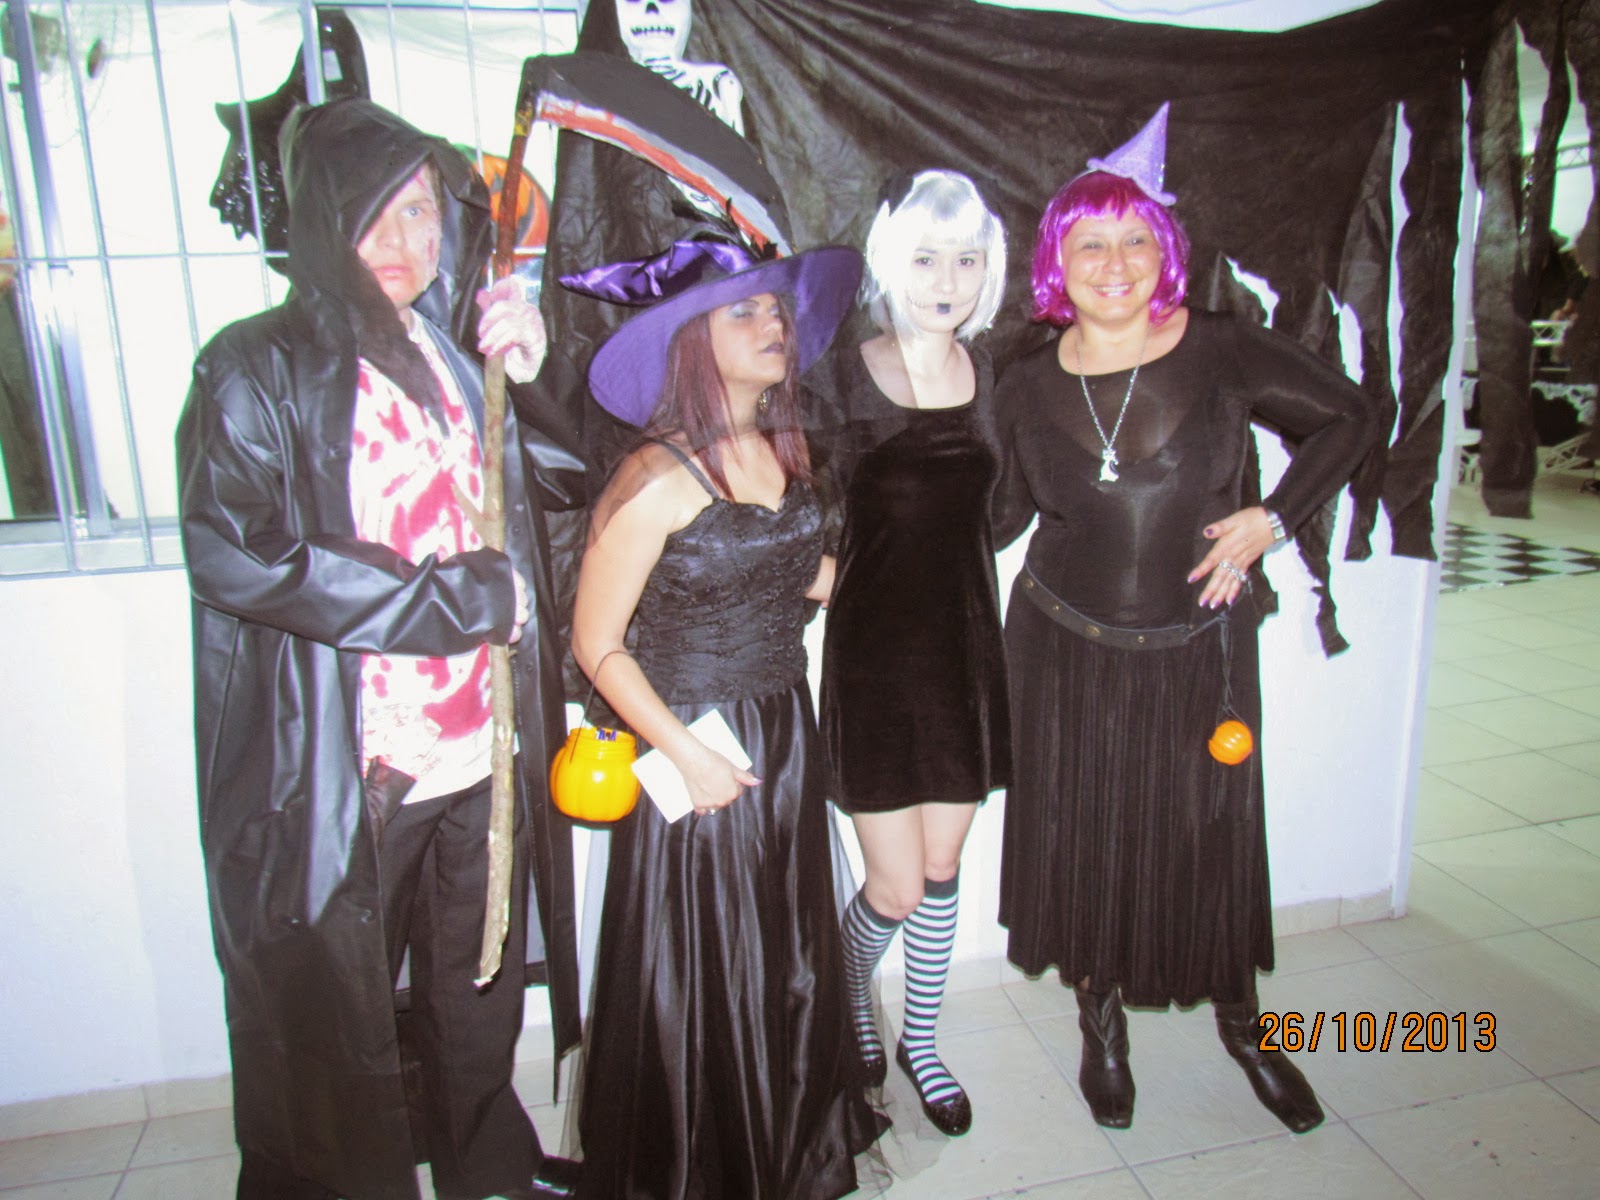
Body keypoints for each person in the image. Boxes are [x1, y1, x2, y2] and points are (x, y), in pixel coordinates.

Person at [178, 97, 584, 1200]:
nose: (406, 240)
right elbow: (238, 554)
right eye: (374, 216)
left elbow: (556, 488)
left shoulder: (453, 354)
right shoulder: (251, 368)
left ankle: (486, 1167)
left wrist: (531, 372)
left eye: (420, 212)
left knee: (476, 982)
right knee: (334, 1016)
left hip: (478, 741)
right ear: (321, 222)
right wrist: (456, 601)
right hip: (352, 761)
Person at [993, 104, 1379, 1135]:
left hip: (1198, 653)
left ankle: (1245, 1028)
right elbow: (997, 516)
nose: (1113, 264)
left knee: (1210, 838)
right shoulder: (1023, 382)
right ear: (1056, 261)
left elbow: (1352, 417)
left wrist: (1273, 518)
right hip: (1064, 650)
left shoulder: (1221, 348)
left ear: (1164, 251)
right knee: (1087, 837)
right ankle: (1102, 1026)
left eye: (1135, 240)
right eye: (1089, 244)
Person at [563, 238, 885, 1197]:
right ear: (690, 342)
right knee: (712, 960)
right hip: (693, 742)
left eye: (776, 309)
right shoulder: (655, 476)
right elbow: (595, 643)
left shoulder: (777, 449)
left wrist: (904, 586)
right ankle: (705, 1164)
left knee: (785, 948)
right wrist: (684, 756)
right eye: (744, 311)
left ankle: (787, 1143)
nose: (772, 323)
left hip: (784, 730)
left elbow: (799, 572)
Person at [811, 169, 1010, 1137]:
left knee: (939, 866)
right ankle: (851, 998)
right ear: (892, 258)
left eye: (967, 258)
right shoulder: (839, 375)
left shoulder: (991, 374)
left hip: (964, 652)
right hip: (874, 663)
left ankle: (921, 1042)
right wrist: (820, 575)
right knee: (890, 886)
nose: (947, 279)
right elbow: (789, 508)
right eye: (927, 257)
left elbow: (1004, 504)